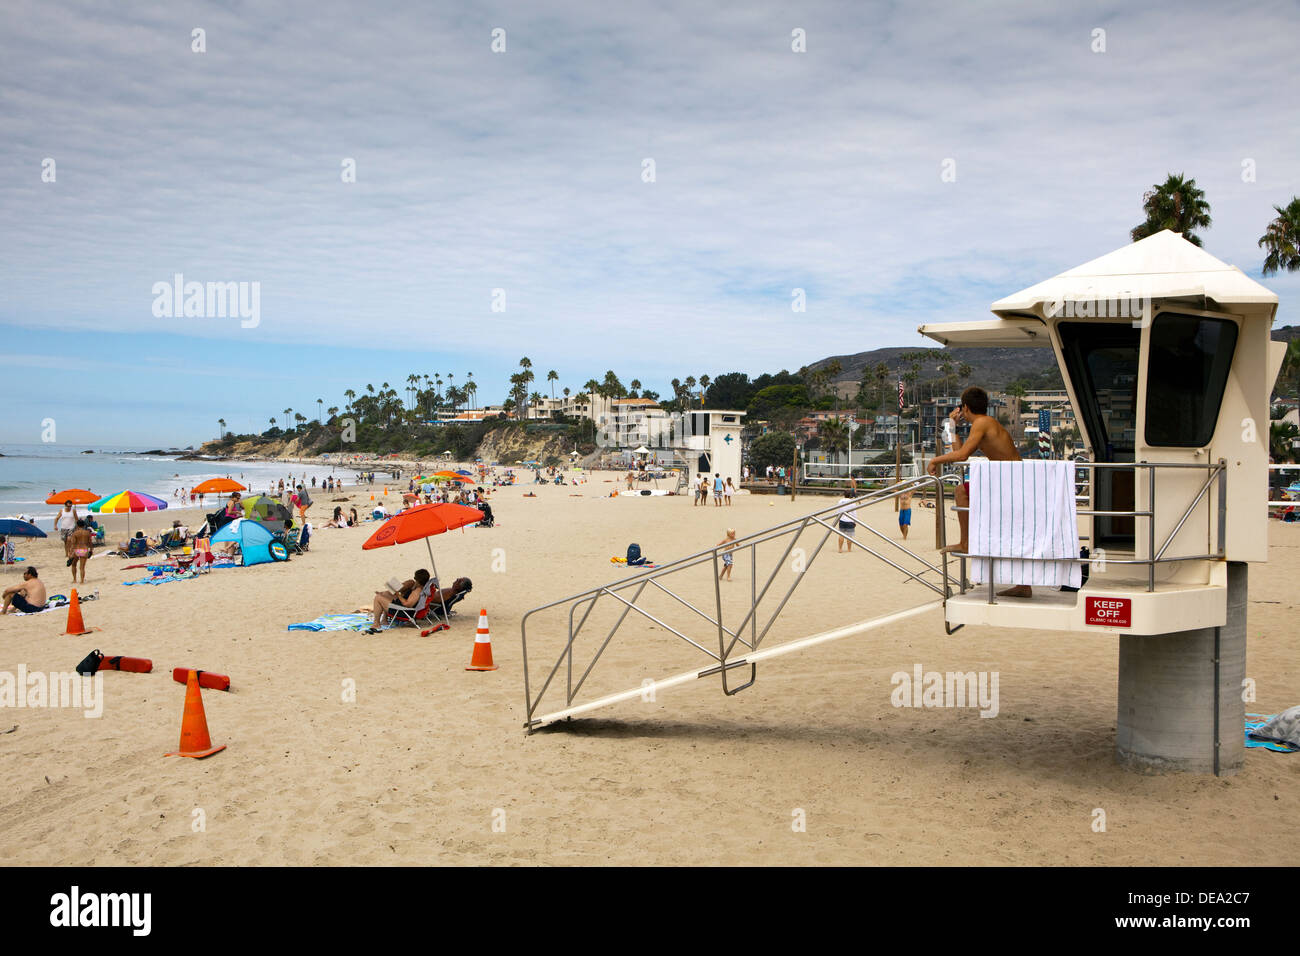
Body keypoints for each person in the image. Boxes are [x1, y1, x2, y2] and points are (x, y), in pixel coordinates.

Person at [927, 385, 1028, 597]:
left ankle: (966, 542)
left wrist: (935, 459)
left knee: (961, 493)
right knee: (964, 493)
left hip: (1010, 480)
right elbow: (958, 451)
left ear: (965, 407)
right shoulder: (985, 423)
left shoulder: (982, 423)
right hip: (1008, 479)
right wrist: (951, 427)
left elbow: (961, 456)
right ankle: (1023, 585)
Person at [836, 479, 859, 553]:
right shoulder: (852, 502)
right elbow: (854, 513)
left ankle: (840, 549)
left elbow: (838, 510)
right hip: (850, 520)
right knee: (849, 536)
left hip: (842, 519)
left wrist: (837, 519)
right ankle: (849, 549)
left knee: (841, 535)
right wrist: (855, 521)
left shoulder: (840, 501)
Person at [67, 519, 93, 584]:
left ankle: (74, 580)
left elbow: (73, 544)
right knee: (82, 567)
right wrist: (91, 550)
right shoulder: (87, 533)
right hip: (84, 549)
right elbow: (90, 543)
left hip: (77, 550)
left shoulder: (75, 533)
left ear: (77, 525)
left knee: (73, 565)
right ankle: (82, 581)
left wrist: (70, 553)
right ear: (84, 525)